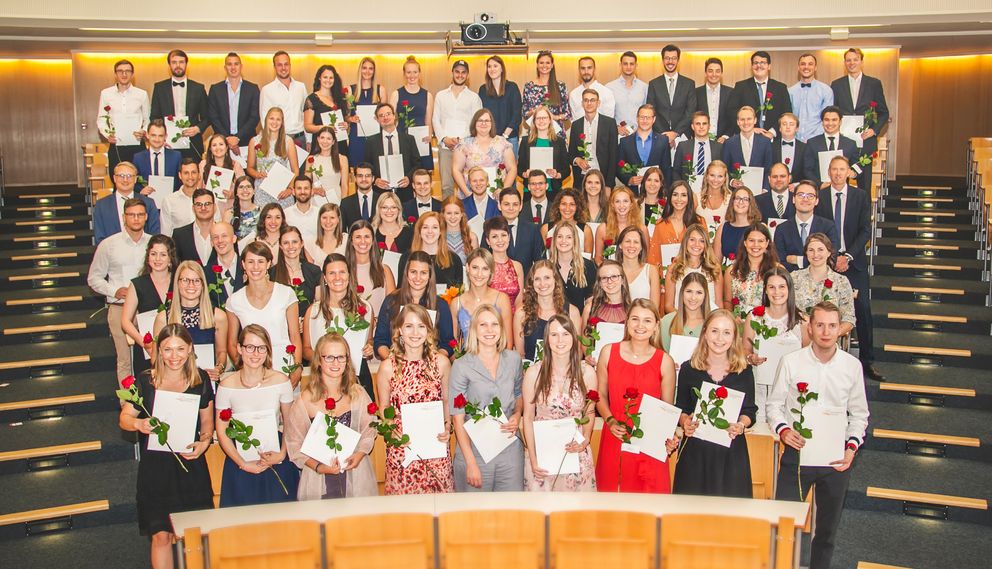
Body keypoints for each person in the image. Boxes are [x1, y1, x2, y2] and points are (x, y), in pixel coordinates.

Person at [770, 302, 869, 569]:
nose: (826, 331)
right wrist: (784, 430)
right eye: (820, 325)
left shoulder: (851, 367)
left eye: (832, 325)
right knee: (784, 527)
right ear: (810, 327)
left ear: (840, 329)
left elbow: (859, 414)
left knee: (826, 532)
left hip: (835, 462)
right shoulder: (791, 362)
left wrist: (851, 448)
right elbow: (774, 405)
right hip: (796, 457)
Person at [118, 325, 214, 569]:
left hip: (190, 466)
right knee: (161, 535)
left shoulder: (200, 379)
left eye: (180, 349)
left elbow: (207, 425)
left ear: (190, 349)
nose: (174, 356)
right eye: (168, 349)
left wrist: (203, 444)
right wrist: (139, 423)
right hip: (156, 469)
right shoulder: (144, 380)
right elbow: (124, 420)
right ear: (158, 351)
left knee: (195, 535)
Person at [595, 299, 678, 493]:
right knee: (611, 506)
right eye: (635, 319)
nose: (640, 325)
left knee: (647, 505)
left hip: (649, 442)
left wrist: (670, 437)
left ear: (656, 325)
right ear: (627, 322)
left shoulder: (665, 361)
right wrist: (610, 420)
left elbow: (668, 410)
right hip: (615, 434)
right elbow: (600, 394)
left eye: (647, 320)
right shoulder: (608, 352)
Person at [673, 309, 756, 497]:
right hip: (695, 453)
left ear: (734, 337)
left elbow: (749, 410)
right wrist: (685, 422)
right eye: (714, 331)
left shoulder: (744, 371)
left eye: (727, 332)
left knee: (730, 517)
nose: (720, 338)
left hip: (731, 453)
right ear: (704, 333)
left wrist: (741, 425)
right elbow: (681, 408)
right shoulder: (689, 368)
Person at [215, 324, 301, 506]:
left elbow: (289, 422)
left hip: (276, 457)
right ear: (239, 348)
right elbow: (222, 431)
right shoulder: (226, 385)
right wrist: (243, 463)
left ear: (268, 351)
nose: (255, 354)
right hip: (240, 460)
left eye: (261, 348)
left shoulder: (281, 381)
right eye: (250, 347)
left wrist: (282, 454)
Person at [286, 333, 377, 500]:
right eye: (329, 357)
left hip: (355, 474)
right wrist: (319, 467)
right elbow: (294, 444)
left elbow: (369, 429)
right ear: (319, 361)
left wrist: (360, 454)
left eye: (341, 357)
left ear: (347, 360)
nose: (336, 363)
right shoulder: (305, 399)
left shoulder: (358, 393)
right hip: (319, 480)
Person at [375, 304, 454, 494]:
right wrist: (392, 432)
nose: (415, 332)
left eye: (421, 326)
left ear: (428, 330)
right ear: (400, 330)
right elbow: (383, 408)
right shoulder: (387, 367)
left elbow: (446, 400)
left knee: (439, 513)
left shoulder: (441, 363)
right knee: (405, 518)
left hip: (435, 450)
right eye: (409, 326)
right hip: (403, 451)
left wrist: (447, 425)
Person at [815, 156, 880, 380]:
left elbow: (865, 230)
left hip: (854, 261)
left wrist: (848, 256)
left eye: (842, 169)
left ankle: (867, 361)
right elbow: (818, 230)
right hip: (827, 261)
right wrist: (832, 257)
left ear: (848, 173)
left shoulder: (860, 196)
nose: (838, 173)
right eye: (834, 169)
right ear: (829, 172)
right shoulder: (820, 197)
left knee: (862, 308)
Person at [449, 305, 525, 492]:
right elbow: (457, 419)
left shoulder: (514, 360)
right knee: (475, 516)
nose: (489, 330)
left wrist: (517, 414)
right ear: (474, 329)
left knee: (510, 513)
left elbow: (518, 395)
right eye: (483, 325)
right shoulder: (461, 366)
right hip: (474, 451)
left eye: (494, 324)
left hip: (509, 448)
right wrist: (470, 462)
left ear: (501, 328)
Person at [523, 314, 597, 492]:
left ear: (573, 336)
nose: (560, 340)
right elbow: (527, 418)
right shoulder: (534, 373)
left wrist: (585, 440)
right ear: (547, 339)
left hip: (576, 454)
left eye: (565, 334)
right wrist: (533, 459)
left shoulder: (586, 373)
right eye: (554, 335)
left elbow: (589, 412)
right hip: (543, 457)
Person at [88, 198, 153, 381]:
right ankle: (128, 405)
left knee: (152, 355)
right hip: (119, 307)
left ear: (146, 217)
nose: (136, 219)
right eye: (132, 215)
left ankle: (150, 400)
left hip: (148, 308)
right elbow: (93, 278)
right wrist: (114, 290)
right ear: (124, 217)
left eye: (140, 214)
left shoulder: (154, 244)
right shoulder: (108, 245)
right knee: (125, 359)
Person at [225, 242, 303, 388]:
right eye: (250, 262)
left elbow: (295, 336)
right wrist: (244, 369)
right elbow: (231, 342)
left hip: (284, 365)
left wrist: (296, 368)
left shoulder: (286, 293)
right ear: (243, 264)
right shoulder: (234, 301)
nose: (255, 267)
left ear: (268, 264)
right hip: (252, 368)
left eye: (260, 261)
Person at [302, 254, 376, 397]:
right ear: (324, 278)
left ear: (349, 275)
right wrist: (326, 359)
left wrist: (369, 348)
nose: (337, 278)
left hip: (358, 378)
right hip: (324, 380)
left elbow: (369, 340)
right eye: (332, 273)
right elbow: (306, 350)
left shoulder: (365, 308)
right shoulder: (314, 312)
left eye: (342, 272)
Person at [744, 267, 809, 423]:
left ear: (789, 289)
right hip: (760, 384)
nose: (776, 292)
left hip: (789, 388)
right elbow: (745, 350)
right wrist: (751, 358)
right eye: (771, 287)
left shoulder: (802, 321)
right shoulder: (754, 317)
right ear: (765, 290)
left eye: (781, 287)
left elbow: (808, 355)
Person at [374, 250, 456, 360]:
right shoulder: (391, 302)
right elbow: (380, 341)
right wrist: (395, 363)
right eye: (413, 272)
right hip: (396, 368)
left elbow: (448, 343)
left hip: (429, 369)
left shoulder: (441, 305)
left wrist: (432, 362)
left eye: (423, 273)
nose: (418, 278)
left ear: (430, 276)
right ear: (406, 274)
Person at [153, 262, 228, 382]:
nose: (191, 285)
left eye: (196, 280)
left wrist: (218, 368)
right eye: (185, 280)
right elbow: (155, 358)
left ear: (203, 284)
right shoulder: (163, 318)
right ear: (177, 283)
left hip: (206, 382)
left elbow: (222, 352)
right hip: (173, 382)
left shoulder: (218, 316)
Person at [831, 48, 890, 193]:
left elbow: (883, 112)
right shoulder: (836, 84)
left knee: (864, 189)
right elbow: (834, 112)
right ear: (845, 63)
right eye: (848, 60)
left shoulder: (874, 83)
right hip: (844, 143)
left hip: (865, 144)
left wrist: (874, 130)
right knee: (839, 187)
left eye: (855, 59)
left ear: (861, 62)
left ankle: (864, 216)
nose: (852, 63)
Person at [120, 235, 176, 378]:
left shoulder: (179, 281)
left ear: (170, 258)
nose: (157, 259)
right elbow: (125, 321)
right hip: (147, 349)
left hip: (176, 348)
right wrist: (144, 343)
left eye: (163, 254)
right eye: (153, 254)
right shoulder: (137, 284)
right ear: (148, 257)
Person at [515, 261, 583, 362]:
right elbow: (520, 354)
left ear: (555, 280)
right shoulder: (521, 314)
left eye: (547, 278)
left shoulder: (572, 312)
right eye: (537, 279)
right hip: (533, 375)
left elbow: (577, 352)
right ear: (531, 283)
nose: (542, 284)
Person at [433, 60, 483, 198]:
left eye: (463, 72)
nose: (460, 75)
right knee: (446, 186)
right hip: (445, 147)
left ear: (467, 75)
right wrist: (444, 139)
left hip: (466, 148)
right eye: (457, 72)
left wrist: (461, 140)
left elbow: (476, 122)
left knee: (468, 185)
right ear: (452, 73)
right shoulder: (440, 95)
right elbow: (435, 120)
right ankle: (447, 218)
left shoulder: (474, 97)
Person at [792, 234, 857, 338]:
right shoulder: (794, 278)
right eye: (811, 250)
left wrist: (830, 335)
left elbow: (849, 319)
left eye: (820, 249)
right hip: (798, 338)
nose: (815, 254)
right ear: (806, 253)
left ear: (829, 252)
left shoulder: (841, 281)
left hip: (828, 340)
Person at [150, 49, 209, 160]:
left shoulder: (198, 88)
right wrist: (161, 136)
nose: (178, 65)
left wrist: (197, 128)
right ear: (169, 65)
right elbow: (154, 116)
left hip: (193, 143)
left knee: (193, 176)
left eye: (181, 62)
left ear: (186, 64)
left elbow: (207, 117)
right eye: (174, 62)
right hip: (167, 144)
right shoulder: (159, 88)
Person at [450, 248, 514, 344]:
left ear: (491, 272)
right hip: (466, 357)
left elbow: (508, 343)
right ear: (467, 268)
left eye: (485, 269)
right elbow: (454, 346)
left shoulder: (502, 299)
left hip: (496, 357)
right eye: (475, 268)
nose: (479, 274)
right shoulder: (457, 303)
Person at [773, 180, 840, 271]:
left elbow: (831, 258)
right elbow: (780, 261)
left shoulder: (828, 227)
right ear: (793, 199)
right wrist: (814, 261)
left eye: (810, 196)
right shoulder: (782, 229)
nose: (805, 199)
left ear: (816, 201)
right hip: (790, 280)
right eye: (801, 195)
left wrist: (798, 260)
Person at [726, 51, 793, 139]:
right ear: (752, 66)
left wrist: (772, 132)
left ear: (769, 66)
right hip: (747, 137)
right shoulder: (741, 87)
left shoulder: (781, 88)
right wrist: (750, 128)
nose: (759, 66)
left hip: (773, 139)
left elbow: (786, 114)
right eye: (756, 63)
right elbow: (732, 112)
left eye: (763, 63)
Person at [452, 108, 517, 199]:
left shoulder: (502, 142)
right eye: (480, 120)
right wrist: (467, 194)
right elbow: (456, 170)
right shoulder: (464, 144)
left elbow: (512, 168)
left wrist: (503, 190)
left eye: (487, 120)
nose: (484, 123)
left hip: (497, 195)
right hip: (470, 194)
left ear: (492, 123)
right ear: (474, 123)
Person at [98, 58, 150, 171]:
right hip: (116, 144)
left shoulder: (142, 94)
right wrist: (108, 135)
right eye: (120, 71)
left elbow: (148, 119)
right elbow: (101, 119)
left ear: (132, 74)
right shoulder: (106, 94)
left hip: (137, 143)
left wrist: (144, 131)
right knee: (116, 176)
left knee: (139, 177)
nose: (124, 74)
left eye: (128, 71)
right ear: (115, 74)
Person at [93, 162, 161, 244]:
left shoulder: (149, 203)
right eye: (121, 176)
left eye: (129, 176)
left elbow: (155, 235)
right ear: (114, 178)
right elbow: (100, 238)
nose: (125, 180)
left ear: (135, 179)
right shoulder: (102, 205)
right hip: (112, 253)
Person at [365, 103, 419, 202]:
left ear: (394, 116)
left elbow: (417, 164)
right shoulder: (371, 142)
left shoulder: (409, 139)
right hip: (380, 192)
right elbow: (367, 166)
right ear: (377, 120)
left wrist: (409, 178)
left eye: (388, 114)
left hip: (405, 191)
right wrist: (375, 180)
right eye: (381, 115)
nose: (385, 117)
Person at [247, 106, 300, 209]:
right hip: (262, 190)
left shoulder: (288, 141)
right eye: (271, 118)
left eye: (278, 119)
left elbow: (295, 170)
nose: (274, 122)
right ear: (266, 120)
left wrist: (290, 188)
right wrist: (257, 174)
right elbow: (249, 168)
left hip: (282, 192)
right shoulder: (255, 141)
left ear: (282, 123)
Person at [664, 224, 723, 313]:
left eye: (701, 241)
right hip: (681, 322)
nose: (697, 244)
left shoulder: (714, 269)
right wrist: (683, 320)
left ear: (706, 244)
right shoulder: (673, 269)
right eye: (692, 240)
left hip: (707, 322)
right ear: (685, 242)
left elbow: (719, 304)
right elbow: (668, 306)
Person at [207, 52, 261, 151]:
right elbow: (213, 117)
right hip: (222, 142)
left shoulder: (253, 89)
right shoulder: (215, 89)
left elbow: (254, 117)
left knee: (247, 167)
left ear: (241, 66)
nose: (233, 67)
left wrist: (237, 137)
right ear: (225, 67)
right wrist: (227, 138)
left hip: (247, 141)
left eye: (236, 64)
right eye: (229, 64)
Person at [389, 56, 435, 172]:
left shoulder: (427, 95)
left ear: (419, 73)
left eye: (415, 72)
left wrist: (429, 135)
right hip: (401, 141)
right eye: (408, 72)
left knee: (422, 178)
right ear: (404, 74)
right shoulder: (396, 94)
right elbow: (390, 120)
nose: (412, 75)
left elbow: (428, 121)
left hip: (422, 142)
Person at [646, 44, 697, 146]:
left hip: (682, 136)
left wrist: (675, 133)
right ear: (663, 60)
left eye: (674, 58)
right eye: (667, 58)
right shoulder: (653, 84)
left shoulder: (689, 84)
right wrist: (665, 135)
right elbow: (651, 111)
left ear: (678, 60)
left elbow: (690, 111)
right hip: (659, 136)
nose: (670, 61)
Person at [723, 223, 780, 313]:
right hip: (739, 323)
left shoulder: (778, 270)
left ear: (767, 243)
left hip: (768, 323)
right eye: (751, 240)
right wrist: (733, 318)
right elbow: (727, 302)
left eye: (760, 241)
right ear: (745, 242)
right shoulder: (732, 271)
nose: (755, 245)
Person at [568, 88, 619, 189]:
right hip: (582, 179)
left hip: (603, 178)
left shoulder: (610, 123)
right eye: (586, 100)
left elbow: (614, 156)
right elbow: (571, 154)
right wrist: (577, 160)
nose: (589, 103)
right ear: (582, 103)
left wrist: (608, 185)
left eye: (592, 100)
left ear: (598, 103)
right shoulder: (576, 125)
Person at [398, 212, 464, 289]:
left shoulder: (454, 259)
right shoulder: (406, 258)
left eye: (435, 227)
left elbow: (459, 293)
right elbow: (400, 290)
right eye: (425, 227)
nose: (430, 231)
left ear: (440, 231)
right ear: (419, 231)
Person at [346, 219, 396, 317]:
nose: (363, 241)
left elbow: (392, 308)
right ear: (351, 241)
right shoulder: (343, 270)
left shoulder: (384, 270)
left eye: (367, 237)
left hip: (377, 329)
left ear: (373, 240)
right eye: (358, 237)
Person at [647, 181, 703, 267]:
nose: (679, 199)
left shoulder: (700, 222)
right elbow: (654, 258)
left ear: (689, 198)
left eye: (684, 195)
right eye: (675, 194)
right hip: (665, 277)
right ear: (670, 198)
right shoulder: (660, 224)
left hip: (693, 276)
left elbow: (706, 253)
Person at [617, 104, 671, 194]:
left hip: (656, 194)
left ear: (654, 119)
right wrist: (629, 179)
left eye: (648, 117)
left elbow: (666, 169)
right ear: (637, 118)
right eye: (642, 117)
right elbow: (618, 167)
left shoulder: (663, 141)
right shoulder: (625, 142)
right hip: (632, 194)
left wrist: (665, 192)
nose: (645, 121)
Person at [270, 226, 321, 319]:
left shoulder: (315, 271)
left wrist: (306, 322)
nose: (291, 246)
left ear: (301, 243)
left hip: (308, 325)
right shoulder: (271, 274)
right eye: (286, 243)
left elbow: (319, 304)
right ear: (280, 246)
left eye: (294, 242)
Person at [801, 106, 860, 186]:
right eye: (826, 120)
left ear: (840, 122)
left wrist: (853, 173)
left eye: (834, 120)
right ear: (822, 122)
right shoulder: (812, 143)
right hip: (820, 191)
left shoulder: (850, 144)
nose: (830, 123)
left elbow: (857, 166)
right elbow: (807, 170)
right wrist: (820, 184)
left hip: (842, 190)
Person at [260, 51, 307, 147]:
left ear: (290, 65)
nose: (283, 68)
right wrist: (271, 142)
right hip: (279, 140)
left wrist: (309, 140)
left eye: (286, 64)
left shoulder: (301, 87)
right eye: (279, 65)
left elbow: (306, 114)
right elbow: (264, 119)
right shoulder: (267, 90)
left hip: (301, 139)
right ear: (274, 67)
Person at [549, 221, 598, 312]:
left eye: (569, 237)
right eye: (559, 237)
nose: (564, 241)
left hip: (579, 321)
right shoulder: (547, 268)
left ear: (575, 240)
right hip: (552, 321)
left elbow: (590, 301)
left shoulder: (587, 266)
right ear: (554, 239)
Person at [517, 107, 569, 194]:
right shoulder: (526, 141)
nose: (541, 121)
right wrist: (525, 174)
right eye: (538, 118)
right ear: (534, 121)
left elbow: (566, 170)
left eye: (544, 118)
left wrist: (557, 174)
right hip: (530, 190)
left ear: (550, 120)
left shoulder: (559, 142)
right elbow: (519, 169)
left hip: (553, 190)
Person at [346, 57, 387, 166]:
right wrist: (351, 119)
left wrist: (380, 118)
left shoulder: (380, 90)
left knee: (376, 169)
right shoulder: (350, 90)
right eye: (364, 68)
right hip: (356, 137)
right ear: (360, 70)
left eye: (371, 69)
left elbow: (386, 116)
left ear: (374, 71)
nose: (367, 71)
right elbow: (346, 116)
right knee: (357, 169)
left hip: (376, 137)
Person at [478, 55, 522, 155]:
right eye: (489, 66)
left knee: (511, 169)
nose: (492, 69)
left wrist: (504, 135)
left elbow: (517, 114)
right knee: (491, 170)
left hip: (510, 138)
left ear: (502, 68)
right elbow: (481, 115)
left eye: (495, 66)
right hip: (489, 139)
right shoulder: (483, 90)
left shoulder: (512, 87)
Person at [722, 106, 773, 191]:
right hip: (736, 193)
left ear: (755, 120)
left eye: (749, 119)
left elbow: (769, 169)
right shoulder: (729, 143)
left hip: (760, 193)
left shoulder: (765, 142)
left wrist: (765, 189)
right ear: (738, 122)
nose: (746, 123)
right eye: (742, 119)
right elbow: (724, 168)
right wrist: (731, 181)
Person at [496, 188, 544, 277]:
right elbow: (485, 259)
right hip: (497, 285)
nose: (511, 208)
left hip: (526, 285)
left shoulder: (532, 229)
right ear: (499, 205)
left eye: (515, 204)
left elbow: (540, 262)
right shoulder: (491, 229)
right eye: (506, 204)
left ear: (520, 206)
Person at [303, 64, 349, 154]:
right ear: (319, 78)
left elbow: (345, 118)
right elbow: (307, 127)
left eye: (331, 78)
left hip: (340, 145)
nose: (328, 80)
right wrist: (323, 127)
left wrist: (345, 126)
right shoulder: (311, 99)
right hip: (322, 146)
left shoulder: (340, 98)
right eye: (325, 77)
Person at [660, 272, 711, 352]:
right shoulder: (667, 321)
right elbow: (662, 355)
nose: (693, 297)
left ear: (705, 295)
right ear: (682, 292)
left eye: (699, 292)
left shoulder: (712, 323)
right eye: (689, 291)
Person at [483, 216, 525, 313]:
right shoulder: (484, 266)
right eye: (494, 236)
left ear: (509, 237)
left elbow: (519, 303)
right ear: (488, 241)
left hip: (514, 321)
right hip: (490, 320)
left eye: (503, 235)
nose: (500, 240)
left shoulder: (517, 266)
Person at [789, 54, 834, 143]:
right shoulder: (790, 91)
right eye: (803, 64)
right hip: (795, 141)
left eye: (810, 64)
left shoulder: (826, 90)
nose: (806, 67)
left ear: (815, 67)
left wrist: (813, 139)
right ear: (798, 67)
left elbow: (827, 118)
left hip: (818, 141)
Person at [595, 186, 646, 265]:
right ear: (612, 205)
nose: (621, 205)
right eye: (617, 201)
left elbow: (646, 256)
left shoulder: (641, 229)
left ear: (631, 204)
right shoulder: (603, 228)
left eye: (625, 201)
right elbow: (598, 257)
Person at [522, 50, 571, 133]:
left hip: (556, 133)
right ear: (537, 65)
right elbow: (524, 112)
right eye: (541, 63)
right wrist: (534, 112)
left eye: (547, 63)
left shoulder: (560, 86)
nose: (544, 65)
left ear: (552, 65)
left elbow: (567, 114)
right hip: (536, 132)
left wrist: (554, 117)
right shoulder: (529, 86)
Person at [712, 186, 762, 261]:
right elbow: (716, 263)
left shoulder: (759, 228)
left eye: (745, 199)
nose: (740, 202)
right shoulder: (722, 229)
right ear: (732, 202)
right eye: (737, 198)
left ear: (750, 203)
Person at [673, 112, 723, 183]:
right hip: (688, 190)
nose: (701, 127)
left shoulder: (719, 147)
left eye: (704, 123)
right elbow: (676, 172)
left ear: (709, 126)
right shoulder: (683, 146)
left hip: (712, 188)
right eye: (698, 124)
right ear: (692, 126)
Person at [607, 51, 649, 137]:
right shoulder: (609, 88)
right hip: (618, 136)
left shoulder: (645, 87)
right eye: (625, 64)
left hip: (640, 135)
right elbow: (606, 114)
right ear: (620, 65)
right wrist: (616, 128)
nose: (628, 67)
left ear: (636, 65)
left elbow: (648, 112)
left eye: (631, 64)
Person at [542, 188, 595, 256]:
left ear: (577, 207)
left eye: (572, 204)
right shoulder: (546, 229)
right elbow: (541, 257)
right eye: (564, 204)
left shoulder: (586, 230)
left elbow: (588, 259)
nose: (567, 208)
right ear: (558, 205)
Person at [616, 226, 661, 306]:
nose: (631, 245)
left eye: (636, 242)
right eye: (627, 241)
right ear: (620, 245)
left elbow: (655, 307)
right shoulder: (613, 270)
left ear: (641, 247)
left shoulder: (651, 270)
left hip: (645, 317)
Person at [134, 119, 182, 193]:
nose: (157, 139)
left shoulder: (176, 156)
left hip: (170, 200)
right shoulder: (138, 158)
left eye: (160, 136)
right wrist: (141, 190)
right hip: (146, 201)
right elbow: (134, 182)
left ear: (166, 136)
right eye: (153, 135)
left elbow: (180, 181)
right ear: (147, 135)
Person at [583, 261, 632, 332]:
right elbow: (584, 341)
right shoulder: (589, 309)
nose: (609, 281)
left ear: (622, 280)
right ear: (599, 283)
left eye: (614, 276)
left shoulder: (633, 309)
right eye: (604, 278)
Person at [305, 127, 349, 206]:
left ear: (333, 142)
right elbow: (306, 184)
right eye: (322, 138)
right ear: (318, 139)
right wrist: (314, 190)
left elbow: (344, 186)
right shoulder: (311, 159)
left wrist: (343, 206)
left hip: (336, 201)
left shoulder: (342, 159)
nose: (325, 141)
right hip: (316, 201)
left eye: (328, 138)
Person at [172, 188, 217, 265]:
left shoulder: (226, 233)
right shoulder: (179, 235)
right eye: (199, 204)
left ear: (215, 207)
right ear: (193, 208)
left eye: (207, 204)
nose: (203, 208)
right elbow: (174, 266)